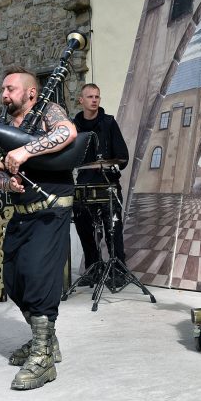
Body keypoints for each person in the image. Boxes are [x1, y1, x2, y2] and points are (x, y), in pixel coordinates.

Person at [0, 67, 77, 390]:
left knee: (38, 274)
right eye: (3, 89)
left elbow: (67, 132)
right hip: (22, 210)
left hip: (51, 207)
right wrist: (4, 181)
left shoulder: (48, 111)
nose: (4, 94)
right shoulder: (3, 123)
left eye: (10, 88)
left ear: (30, 93)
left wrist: (25, 150)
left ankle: (43, 358)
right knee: (13, 276)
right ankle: (46, 340)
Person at [72, 83, 130, 285]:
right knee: (84, 228)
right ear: (81, 100)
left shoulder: (108, 123)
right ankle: (93, 270)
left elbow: (122, 156)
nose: (94, 100)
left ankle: (118, 272)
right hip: (84, 187)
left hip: (107, 185)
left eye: (97, 96)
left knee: (113, 229)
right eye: (90, 97)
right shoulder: (73, 127)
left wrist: (113, 167)